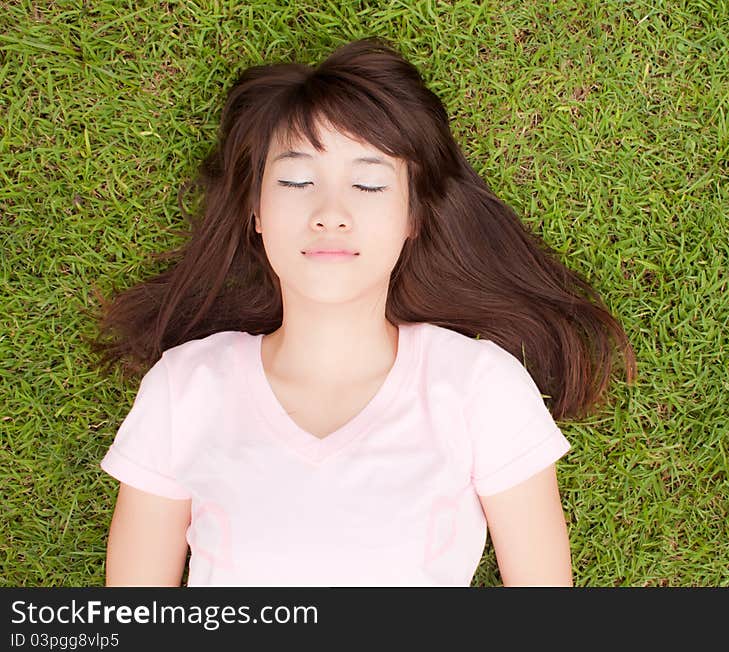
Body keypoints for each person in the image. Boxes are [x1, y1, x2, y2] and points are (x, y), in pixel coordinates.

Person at [88, 37, 637, 587]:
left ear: (412, 216)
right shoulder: (184, 388)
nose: (330, 213)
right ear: (255, 211)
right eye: (297, 181)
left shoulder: (477, 387)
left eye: (369, 183)